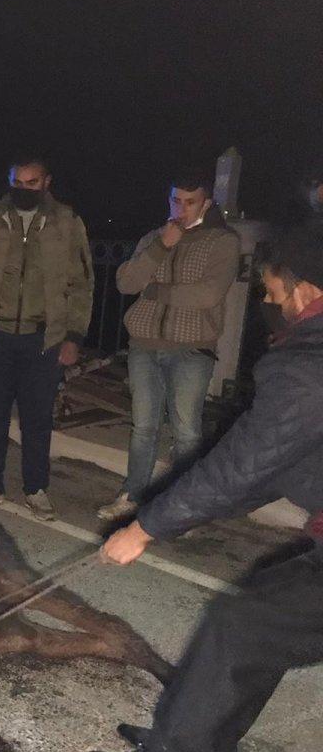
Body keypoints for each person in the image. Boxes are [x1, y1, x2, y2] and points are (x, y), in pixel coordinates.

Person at [93, 226, 323, 752]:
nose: (267, 300)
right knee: (253, 624)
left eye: (272, 289)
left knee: (242, 623)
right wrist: (174, 516)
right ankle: (193, 744)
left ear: (303, 290)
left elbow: (244, 466)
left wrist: (145, 529)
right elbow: (268, 468)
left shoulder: (308, 366)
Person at [0, 156, 94, 521]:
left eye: (32, 183)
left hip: (43, 338)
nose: (24, 189)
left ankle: (36, 489)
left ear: (46, 182)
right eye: (18, 182)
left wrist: (73, 336)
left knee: (37, 419)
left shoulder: (66, 222)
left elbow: (81, 284)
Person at [97, 170, 240, 521]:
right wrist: (162, 246)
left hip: (191, 348)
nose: (181, 209)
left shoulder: (222, 241)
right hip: (144, 345)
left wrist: (155, 290)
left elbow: (208, 295)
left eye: (190, 202)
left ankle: (184, 508)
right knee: (143, 427)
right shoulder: (153, 238)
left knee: (187, 431)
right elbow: (126, 283)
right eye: (176, 200)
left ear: (206, 203)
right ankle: (132, 495)